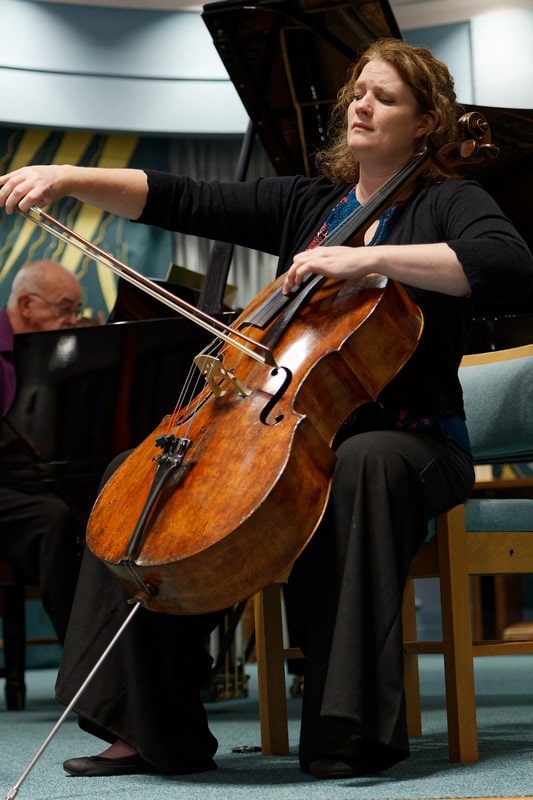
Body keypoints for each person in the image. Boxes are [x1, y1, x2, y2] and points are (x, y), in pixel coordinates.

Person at [1, 38, 532, 780]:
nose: (361, 105)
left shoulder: (449, 202)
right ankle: (151, 727)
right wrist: (66, 177)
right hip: (287, 433)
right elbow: (181, 195)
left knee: (360, 466)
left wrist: (368, 258)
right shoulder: (311, 207)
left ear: (424, 122)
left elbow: (505, 266)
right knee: (142, 473)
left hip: (407, 439)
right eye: (357, 93)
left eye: (384, 97)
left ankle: (346, 726)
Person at [0, 260, 84, 644]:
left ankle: (138, 663)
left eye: (75, 311)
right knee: (54, 518)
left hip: (20, 480)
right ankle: (83, 670)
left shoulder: (51, 353)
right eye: (65, 308)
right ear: (27, 305)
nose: (73, 321)